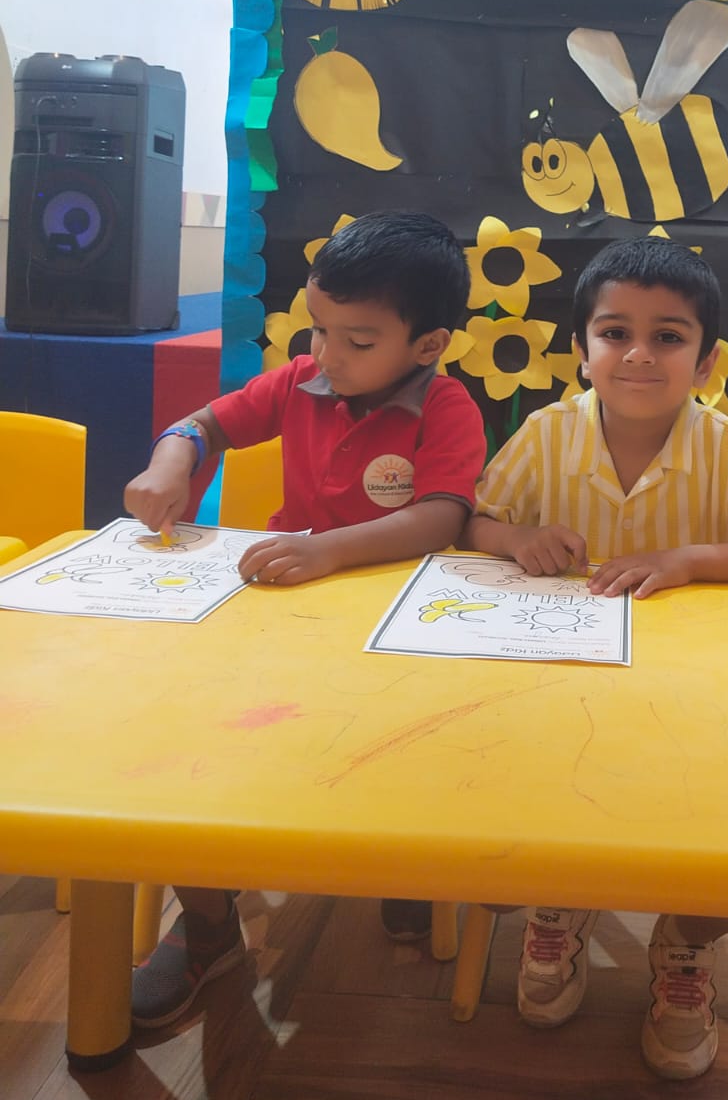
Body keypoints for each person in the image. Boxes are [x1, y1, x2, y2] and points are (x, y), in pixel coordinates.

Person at [462, 236, 728, 1079]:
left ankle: (687, 937)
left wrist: (689, 559)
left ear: (705, 363)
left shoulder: (722, 443)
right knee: (516, 795)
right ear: (582, 349)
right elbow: (475, 520)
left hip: (692, 701)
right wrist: (516, 538)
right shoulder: (545, 433)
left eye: (667, 337)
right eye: (614, 332)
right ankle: (560, 902)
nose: (637, 354)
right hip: (559, 686)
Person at [122, 211, 486, 1028]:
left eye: (358, 341)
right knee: (188, 735)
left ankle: (402, 857)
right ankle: (207, 925)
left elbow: (441, 518)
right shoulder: (298, 382)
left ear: (428, 345)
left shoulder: (447, 407)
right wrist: (171, 459)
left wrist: (326, 551)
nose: (327, 355)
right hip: (281, 618)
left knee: (411, 747)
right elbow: (204, 423)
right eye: (319, 329)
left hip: (396, 633)